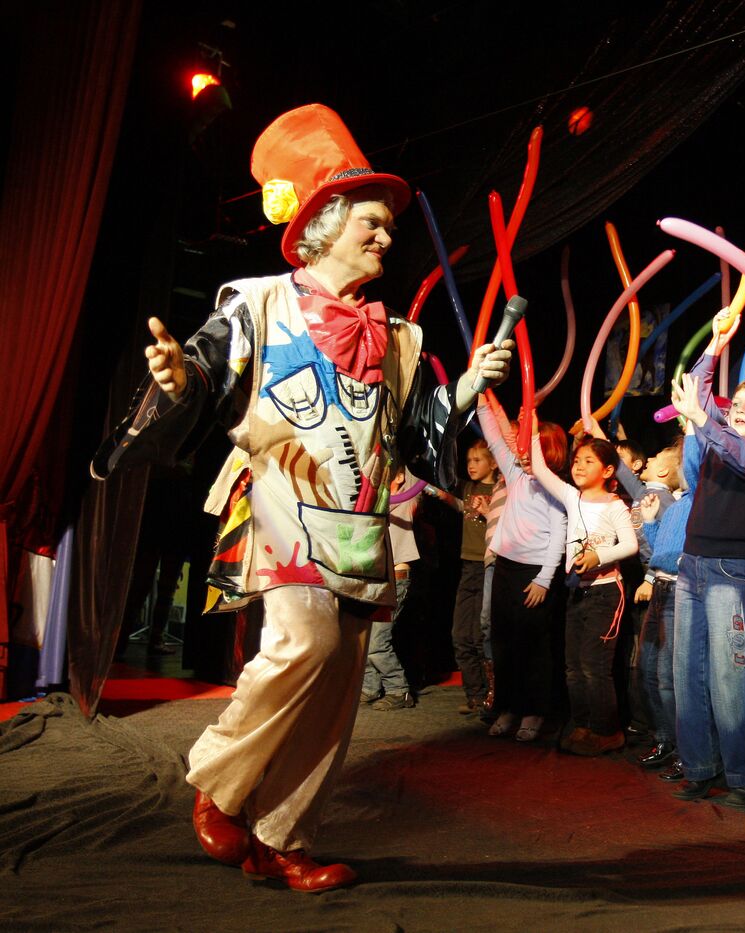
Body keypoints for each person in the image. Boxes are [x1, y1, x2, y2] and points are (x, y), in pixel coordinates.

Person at [91, 105, 513, 891]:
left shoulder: (402, 338)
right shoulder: (255, 304)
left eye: (389, 225)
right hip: (285, 511)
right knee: (304, 646)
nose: (387, 236)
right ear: (322, 222)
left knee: (337, 694)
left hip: (362, 526)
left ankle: (286, 839)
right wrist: (180, 380)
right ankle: (218, 780)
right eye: (373, 222)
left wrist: (463, 392)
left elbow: (420, 439)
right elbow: (204, 375)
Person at [667, 311, 745, 809]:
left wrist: (703, 419)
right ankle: (698, 766)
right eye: (735, 403)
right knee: (685, 675)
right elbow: (696, 393)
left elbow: (731, 446)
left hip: (729, 572)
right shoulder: (720, 435)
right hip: (693, 563)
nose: (739, 410)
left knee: (729, 678)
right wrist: (715, 342)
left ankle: (742, 777)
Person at [527, 433, 639, 754]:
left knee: (594, 666)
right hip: (577, 593)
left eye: (589, 461)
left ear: (607, 471)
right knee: (573, 667)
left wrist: (598, 556)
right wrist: (533, 430)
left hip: (606, 594)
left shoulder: (614, 506)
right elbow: (539, 468)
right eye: (577, 460)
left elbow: (629, 545)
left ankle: (607, 731)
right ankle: (583, 725)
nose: (579, 466)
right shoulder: (571, 497)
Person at [476, 401, 567, 743]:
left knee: (534, 647)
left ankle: (534, 711)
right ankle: (509, 707)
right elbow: (494, 437)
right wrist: (482, 397)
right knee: (504, 643)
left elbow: (559, 534)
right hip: (505, 568)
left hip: (535, 574)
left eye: (534, 446)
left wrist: (544, 579)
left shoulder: (555, 487)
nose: (525, 450)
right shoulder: (514, 474)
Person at [635, 429, 701, 771]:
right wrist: (648, 525)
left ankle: (683, 749)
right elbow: (661, 549)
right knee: (648, 672)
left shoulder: (696, 504)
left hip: (678, 591)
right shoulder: (677, 504)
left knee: (668, 677)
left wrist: (691, 429)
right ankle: (665, 739)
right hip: (661, 589)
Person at [361, 467, 423, 710]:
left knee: (378, 641)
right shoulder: (374, 502)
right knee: (365, 638)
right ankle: (370, 686)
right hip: (374, 578)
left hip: (396, 578)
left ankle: (399, 691)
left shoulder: (408, 500)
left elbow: (417, 475)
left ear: (398, 476)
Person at [446, 439, 500, 714]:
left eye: (477, 460)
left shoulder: (502, 490)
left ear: (493, 463)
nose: (471, 465)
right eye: (468, 461)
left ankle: (492, 696)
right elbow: (448, 495)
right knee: (460, 634)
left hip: (488, 566)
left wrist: (487, 512)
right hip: (468, 567)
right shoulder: (468, 489)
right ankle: (475, 695)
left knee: (481, 634)